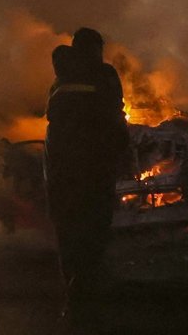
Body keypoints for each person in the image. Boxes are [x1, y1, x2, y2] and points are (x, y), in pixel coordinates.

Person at [44, 27, 129, 314]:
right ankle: (88, 292)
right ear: (94, 49)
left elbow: (53, 127)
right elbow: (115, 116)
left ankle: (73, 290)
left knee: (68, 232)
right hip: (94, 169)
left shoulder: (59, 80)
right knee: (93, 230)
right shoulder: (104, 75)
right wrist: (122, 154)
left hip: (60, 170)